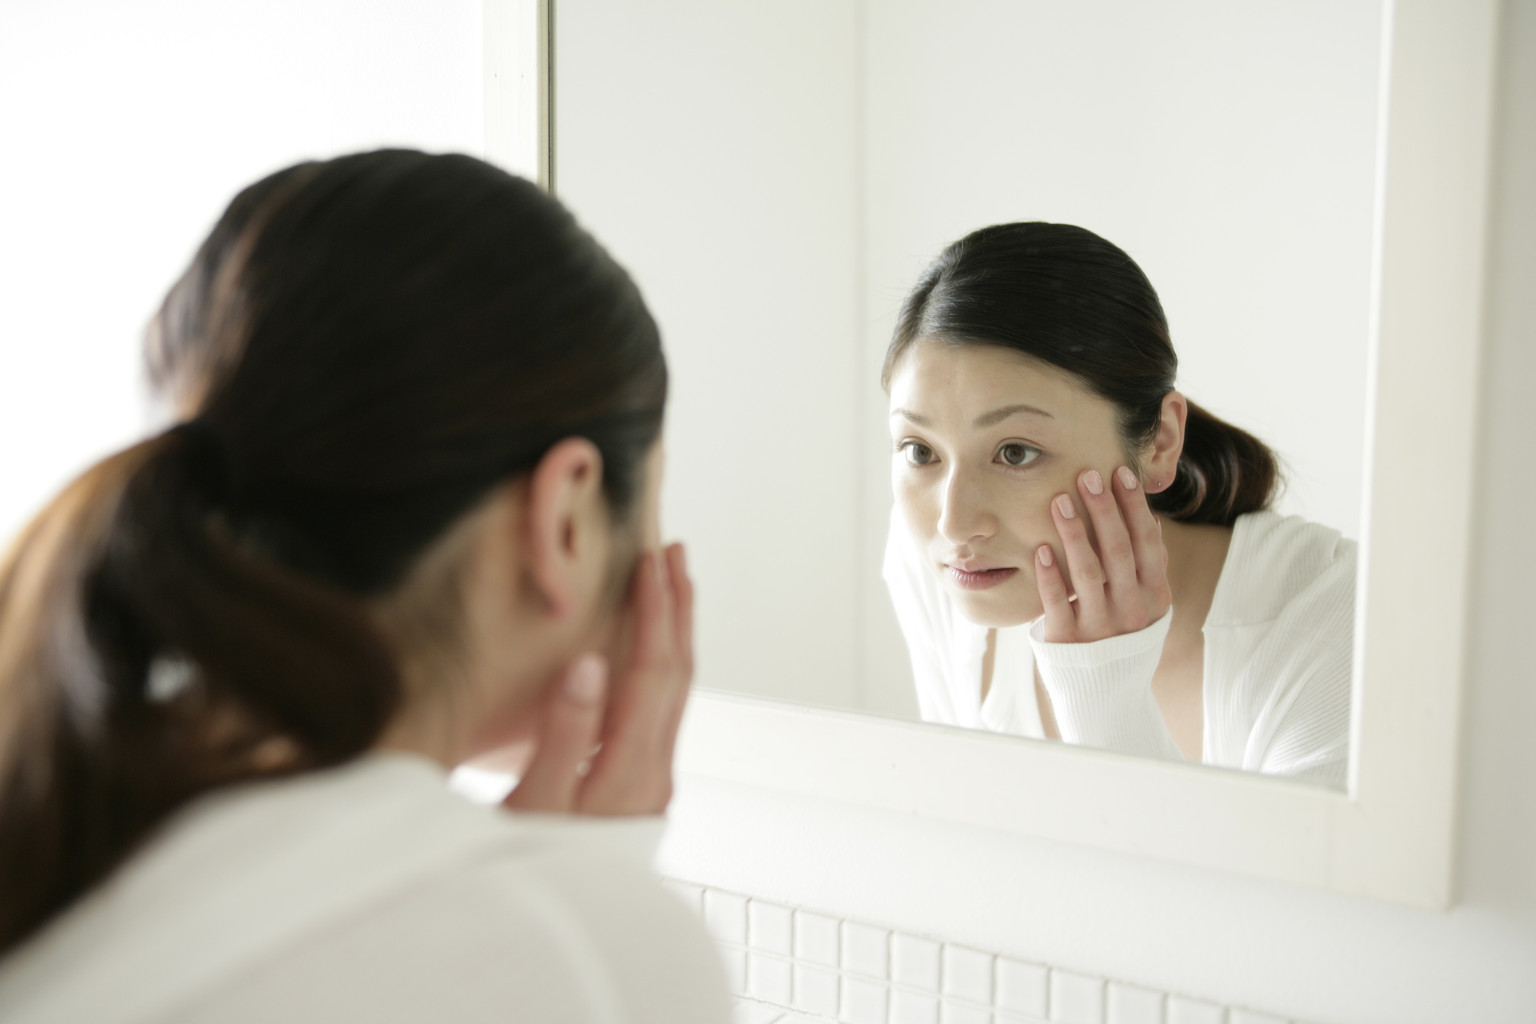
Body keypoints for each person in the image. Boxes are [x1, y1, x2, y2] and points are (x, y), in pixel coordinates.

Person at [0, 150, 730, 1021]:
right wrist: (587, 905)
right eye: (647, 506)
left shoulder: (67, 813)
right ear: (565, 518)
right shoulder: (565, 943)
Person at [882, 222, 1354, 787]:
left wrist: (1105, 693)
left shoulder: (1331, 616)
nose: (954, 523)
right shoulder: (938, 569)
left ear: (1160, 443)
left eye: (1014, 452)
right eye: (920, 450)